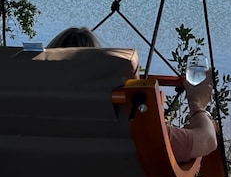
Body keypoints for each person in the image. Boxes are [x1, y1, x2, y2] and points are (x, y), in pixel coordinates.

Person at [46, 26, 218, 163]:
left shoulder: (29, 118)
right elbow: (207, 140)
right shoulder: (131, 127)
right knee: (212, 127)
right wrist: (197, 105)